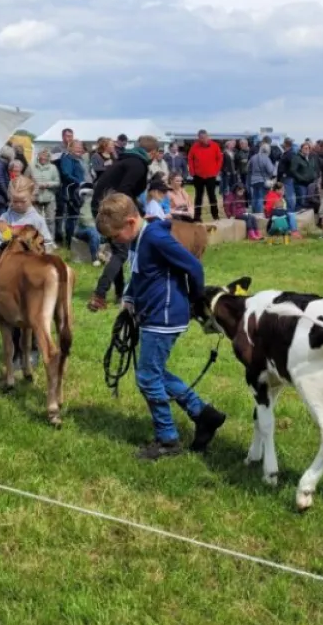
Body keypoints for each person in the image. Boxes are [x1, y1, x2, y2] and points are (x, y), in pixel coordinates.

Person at [95, 192, 227, 460]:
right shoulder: (138, 240)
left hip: (164, 316)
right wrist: (130, 299)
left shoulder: (155, 237)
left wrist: (194, 299)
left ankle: (167, 439)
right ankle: (204, 414)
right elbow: (140, 274)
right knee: (154, 372)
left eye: (115, 235)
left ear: (131, 222)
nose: (113, 241)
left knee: (147, 377)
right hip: (152, 315)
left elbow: (193, 266)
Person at [88, 135, 158, 313]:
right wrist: (137, 214)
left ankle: (119, 293)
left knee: (118, 252)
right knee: (121, 252)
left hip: (103, 204)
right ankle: (99, 295)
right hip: (109, 207)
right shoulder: (138, 165)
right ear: (152, 152)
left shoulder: (128, 160)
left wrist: (140, 211)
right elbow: (125, 191)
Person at [187, 130, 223, 222]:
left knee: (212, 196)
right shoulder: (195, 146)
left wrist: (216, 170)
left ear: (208, 136)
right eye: (201, 138)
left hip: (211, 176)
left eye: (205, 137)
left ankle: (215, 216)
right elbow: (190, 158)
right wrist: (192, 171)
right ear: (198, 138)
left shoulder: (215, 145)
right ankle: (197, 217)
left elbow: (219, 158)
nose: (203, 140)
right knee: (198, 196)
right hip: (198, 176)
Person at [31, 147, 61, 239]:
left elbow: (58, 182)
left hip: (49, 197)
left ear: (49, 157)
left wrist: (48, 184)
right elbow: (26, 179)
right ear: (38, 156)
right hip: (36, 197)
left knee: (50, 220)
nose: (43, 158)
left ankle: (50, 239)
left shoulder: (53, 168)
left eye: (46, 156)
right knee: (37, 220)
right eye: (41, 156)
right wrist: (33, 185)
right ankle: (38, 240)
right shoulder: (31, 166)